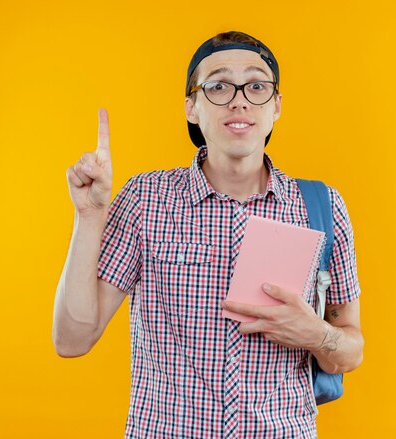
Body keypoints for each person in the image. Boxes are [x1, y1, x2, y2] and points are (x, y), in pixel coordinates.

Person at [52, 31, 363, 438]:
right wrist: (89, 216)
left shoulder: (321, 206)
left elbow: (350, 350)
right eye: (218, 85)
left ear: (276, 106)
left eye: (256, 86)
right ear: (192, 108)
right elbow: (72, 339)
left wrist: (316, 334)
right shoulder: (148, 199)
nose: (239, 100)